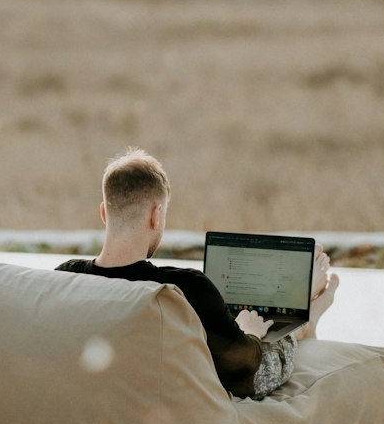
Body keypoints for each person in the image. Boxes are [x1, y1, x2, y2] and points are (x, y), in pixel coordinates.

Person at [56, 148, 339, 399]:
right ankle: (305, 321)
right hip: (180, 396)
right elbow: (251, 377)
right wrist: (250, 333)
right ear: (156, 215)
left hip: (101, 400)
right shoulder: (184, 289)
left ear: (105, 213)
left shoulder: (65, 278)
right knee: (271, 347)